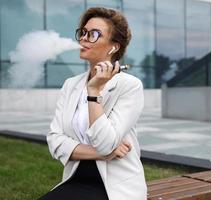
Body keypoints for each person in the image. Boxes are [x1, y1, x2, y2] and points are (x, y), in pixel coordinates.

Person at [38, 7, 147, 200]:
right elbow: (55, 141)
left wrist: (94, 92)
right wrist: (101, 154)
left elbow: (106, 143)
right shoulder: (70, 85)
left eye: (94, 34)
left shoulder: (130, 86)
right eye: (83, 32)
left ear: (114, 46)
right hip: (76, 178)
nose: (84, 38)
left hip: (117, 188)